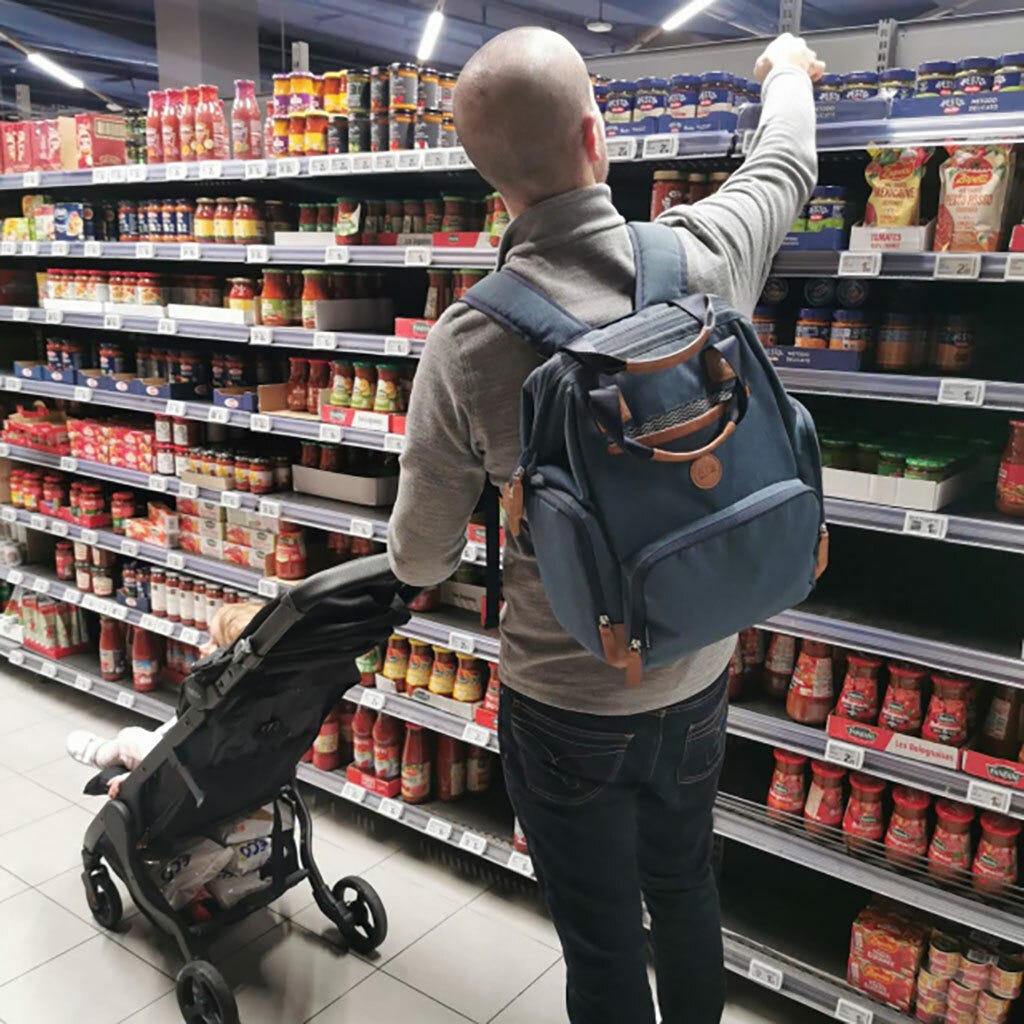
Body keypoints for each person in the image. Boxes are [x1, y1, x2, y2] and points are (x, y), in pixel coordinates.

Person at [387, 27, 822, 1024]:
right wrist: (789, 70)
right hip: (698, 667)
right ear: (598, 135)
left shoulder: (468, 340)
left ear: (485, 174)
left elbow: (420, 553)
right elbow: (785, 161)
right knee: (685, 892)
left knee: (599, 939)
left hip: (564, 697)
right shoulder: (702, 250)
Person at [66, 601, 263, 798]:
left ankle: (99, 753)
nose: (203, 647)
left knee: (130, 737)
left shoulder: (218, 701)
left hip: (188, 770)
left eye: (216, 645)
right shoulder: (262, 695)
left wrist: (135, 779)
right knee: (174, 725)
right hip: (241, 770)